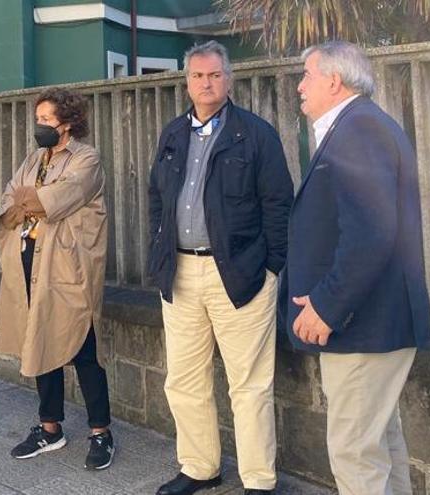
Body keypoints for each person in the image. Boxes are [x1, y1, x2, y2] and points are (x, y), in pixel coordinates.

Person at [286, 41, 430, 495]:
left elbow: (371, 233)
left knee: (355, 454)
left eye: (307, 75)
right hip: (371, 323)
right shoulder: (357, 126)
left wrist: (327, 306)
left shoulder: (359, 130)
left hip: (364, 324)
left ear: (334, 80)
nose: (298, 87)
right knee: (380, 445)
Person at [147, 41, 293, 495]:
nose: (205, 83)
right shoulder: (173, 134)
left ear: (228, 79)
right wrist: (159, 251)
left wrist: (271, 267)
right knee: (184, 380)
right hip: (182, 274)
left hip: (241, 274)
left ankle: (259, 481)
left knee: (248, 385)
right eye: (197, 76)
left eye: (213, 75)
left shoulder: (255, 134)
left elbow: (278, 204)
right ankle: (199, 467)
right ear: (186, 81)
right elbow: (156, 198)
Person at [0, 87, 113, 470]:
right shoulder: (34, 160)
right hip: (30, 259)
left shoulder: (86, 158)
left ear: (67, 122)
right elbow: (8, 199)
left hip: (67, 267)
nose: (40, 126)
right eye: (38, 119)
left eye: (47, 119)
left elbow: (59, 199)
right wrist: (33, 201)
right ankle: (50, 428)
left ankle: (101, 432)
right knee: (39, 339)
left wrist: (33, 201)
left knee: (83, 346)